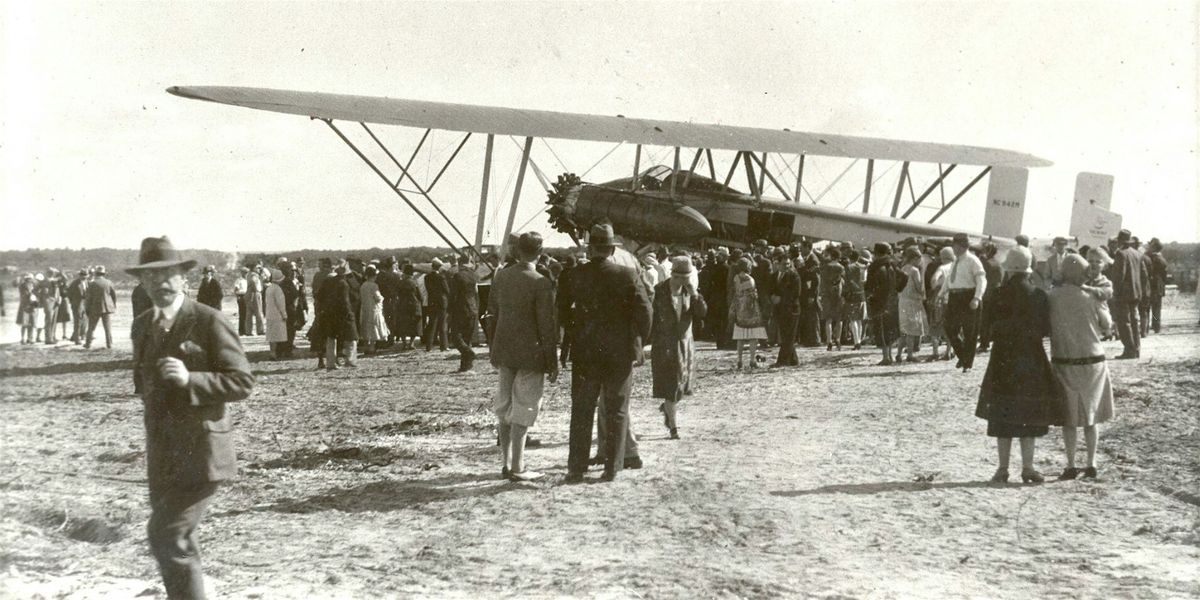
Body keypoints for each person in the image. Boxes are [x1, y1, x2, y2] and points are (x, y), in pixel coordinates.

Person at [127, 236, 254, 600]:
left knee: (167, 534)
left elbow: (242, 381)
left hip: (202, 453)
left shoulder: (208, 320)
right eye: (151, 277)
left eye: (168, 274)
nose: (160, 283)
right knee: (179, 542)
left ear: (183, 278)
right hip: (163, 455)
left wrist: (191, 379)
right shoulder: (142, 325)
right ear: (142, 281)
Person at [560, 223, 652, 483]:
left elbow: (563, 313)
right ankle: (612, 467)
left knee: (582, 409)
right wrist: (637, 341)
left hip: (585, 351)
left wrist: (577, 333)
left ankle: (576, 468)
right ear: (612, 249)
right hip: (619, 352)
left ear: (590, 249)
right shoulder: (628, 274)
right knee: (617, 409)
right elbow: (645, 313)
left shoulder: (573, 275)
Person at [975, 247, 1059, 484]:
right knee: (1029, 415)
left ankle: (1002, 468)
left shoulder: (997, 294)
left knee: (1003, 415)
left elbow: (987, 328)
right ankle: (1028, 468)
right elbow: (1045, 329)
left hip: (1003, 360)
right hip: (1032, 360)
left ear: (1008, 268)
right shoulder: (1039, 296)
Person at [487, 232, 558, 481]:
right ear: (539, 252)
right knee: (524, 408)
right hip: (531, 353)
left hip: (504, 350)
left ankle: (506, 463)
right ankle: (518, 466)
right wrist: (553, 360)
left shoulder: (501, 276)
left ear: (517, 251)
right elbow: (546, 325)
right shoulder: (541, 282)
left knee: (504, 407)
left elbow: (492, 314)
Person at [1049, 253, 1115, 480]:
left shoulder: (1052, 297)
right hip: (1093, 361)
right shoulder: (1092, 296)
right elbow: (1107, 325)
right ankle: (1092, 462)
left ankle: (1069, 464)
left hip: (1064, 361)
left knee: (1069, 417)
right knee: (1091, 416)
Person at [651, 256, 707, 439]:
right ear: (673, 275)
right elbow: (651, 318)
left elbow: (702, 313)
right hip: (665, 344)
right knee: (671, 385)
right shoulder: (659, 292)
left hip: (684, 342)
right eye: (680, 278)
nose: (684, 282)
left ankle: (668, 408)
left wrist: (695, 295)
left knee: (682, 385)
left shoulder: (690, 292)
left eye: (687, 278)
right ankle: (673, 427)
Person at [943, 233, 987, 372]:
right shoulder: (955, 261)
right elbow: (950, 279)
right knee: (949, 328)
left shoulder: (973, 260)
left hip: (968, 296)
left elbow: (981, 280)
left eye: (954, 245)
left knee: (970, 332)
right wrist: (941, 293)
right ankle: (963, 355)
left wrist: (977, 298)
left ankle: (967, 364)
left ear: (962, 246)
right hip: (954, 297)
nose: (953, 248)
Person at [1109, 229, 1147, 359]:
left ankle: (1129, 350)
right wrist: (1140, 290)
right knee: (1134, 320)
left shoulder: (1120, 254)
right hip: (1136, 293)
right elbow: (1144, 275)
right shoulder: (1137, 254)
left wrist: (1116, 292)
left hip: (1123, 294)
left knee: (1124, 321)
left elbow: (1119, 275)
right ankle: (1136, 349)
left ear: (1120, 241)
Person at [317, 261, 359, 370]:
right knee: (351, 336)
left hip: (329, 313)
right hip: (342, 313)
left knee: (331, 338)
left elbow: (319, 296)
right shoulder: (343, 283)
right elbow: (346, 301)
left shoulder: (328, 281)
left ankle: (330, 363)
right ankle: (350, 360)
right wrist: (349, 313)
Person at [865, 243, 901, 365]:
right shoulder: (893, 264)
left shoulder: (875, 267)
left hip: (879, 300)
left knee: (880, 328)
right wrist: (897, 290)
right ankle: (889, 355)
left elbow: (869, 285)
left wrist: (871, 294)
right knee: (890, 327)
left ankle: (886, 357)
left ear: (876, 253)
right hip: (892, 300)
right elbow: (904, 277)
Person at [730, 257, 767, 370]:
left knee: (740, 337)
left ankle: (739, 360)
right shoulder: (750, 279)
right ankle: (751, 360)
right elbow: (752, 294)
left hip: (739, 308)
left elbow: (737, 291)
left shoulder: (736, 278)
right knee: (753, 337)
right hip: (750, 310)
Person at [448, 255, 480, 371]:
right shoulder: (474, 275)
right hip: (472, 308)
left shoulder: (457, 276)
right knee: (467, 338)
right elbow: (476, 292)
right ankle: (465, 366)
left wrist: (449, 310)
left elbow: (453, 295)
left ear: (460, 263)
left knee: (455, 336)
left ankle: (468, 352)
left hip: (460, 309)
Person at [897, 246, 929, 362]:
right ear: (915, 258)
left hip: (903, 300)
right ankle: (910, 354)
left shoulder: (903, 268)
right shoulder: (915, 271)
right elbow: (919, 287)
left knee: (904, 330)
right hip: (913, 301)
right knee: (911, 330)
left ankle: (899, 354)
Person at [770, 248, 801, 367]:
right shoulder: (774, 276)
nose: (787, 266)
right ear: (777, 263)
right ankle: (793, 360)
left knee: (788, 336)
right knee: (785, 335)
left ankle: (782, 361)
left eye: (789, 263)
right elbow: (770, 289)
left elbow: (796, 293)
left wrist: (781, 299)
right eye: (784, 264)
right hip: (779, 310)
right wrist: (772, 297)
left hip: (792, 309)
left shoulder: (794, 275)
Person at [926, 247, 955, 362]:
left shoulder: (942, 268)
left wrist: (936, 286)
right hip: (953, 298)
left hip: (940, 298)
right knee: (950, 325)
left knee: (935, 324)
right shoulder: (956, 267)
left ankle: (935, 352)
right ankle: (948, 351)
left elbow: (934, 280)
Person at [84, 265, 118, 349]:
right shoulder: (109, 282)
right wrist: (113, 306)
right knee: (107, 327)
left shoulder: (92, 284)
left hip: (94, 308)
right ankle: (109, 344)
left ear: (96, 273)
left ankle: (88, 344)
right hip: (106, 308)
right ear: (104, 274)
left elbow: (88, 298)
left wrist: (87, 309)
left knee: (91, 327)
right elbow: (114, 296)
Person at [358, 265, 389, 356]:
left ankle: (366, 348)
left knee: (366, 327)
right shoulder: (374, 285)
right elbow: (378, 297)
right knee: (373, 327)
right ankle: (371, 348)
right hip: (373, 309)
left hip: (364, 308)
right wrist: (382, 298)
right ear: (373, 276)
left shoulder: (363, 285)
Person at [819, 248, 845, 351]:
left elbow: (823, 282)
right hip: (839, 294)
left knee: (828, 319)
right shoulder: (841, 267)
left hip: (827, 295)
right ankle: (838, 340)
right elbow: (844, 280)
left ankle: (829, 341)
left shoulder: (826, 267)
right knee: (839, 319)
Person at [394, 263, 423, 350]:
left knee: (402, 325)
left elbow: (397, 293)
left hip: (402, 305)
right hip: (414, 305)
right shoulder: (414, 283)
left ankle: (404, 343)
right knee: (414, 325)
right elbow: (420, 296)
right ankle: (411, 343)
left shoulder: (400, 283)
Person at [842, 249, 867, 351]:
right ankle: (859, 341)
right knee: (860, 320)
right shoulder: (863, 267)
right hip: (861, 294)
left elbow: (846, 282)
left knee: (853, 320)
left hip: (851, 295)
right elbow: (864, 280)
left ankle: (856, 342)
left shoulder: (848, 267)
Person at [423, 258, 449, 351]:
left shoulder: (427, 277)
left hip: (432, 301)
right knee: (442, 324)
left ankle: (429, 346)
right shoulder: (441, 277)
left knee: (432, 324)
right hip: (442, 302)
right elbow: (446, 290)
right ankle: (444, 345)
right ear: (439, 267)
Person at [264, 268, 289, 359]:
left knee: (271, 335)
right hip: (277, 314)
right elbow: (280, 304)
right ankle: (278, 353)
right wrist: (284, 314)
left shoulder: (269, 288)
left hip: (270, 313)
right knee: (278, 335)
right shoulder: (278, 289)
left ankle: (272, 352)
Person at [1145, 238, 1168, 334]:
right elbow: (1164, 274)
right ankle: (1156, 326)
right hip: (1158, 286)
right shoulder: (1162, 259)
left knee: (1147, 307)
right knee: (1156, 307)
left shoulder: (1151, 258)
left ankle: (1146, 326)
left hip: (1151, 285)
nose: (1148, 246)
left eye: (1150, 245)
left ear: (1154, 247)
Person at [67, 269, 89, 344]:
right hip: (77, 304)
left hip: (84, 304)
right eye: (83, 275)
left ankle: (78, 335)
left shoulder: (86, 282)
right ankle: (77, 339)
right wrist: (73, 302)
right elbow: (69, 293)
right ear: (80, 275)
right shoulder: (75, 283)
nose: (84, 277)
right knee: (78, 322)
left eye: (86, 275)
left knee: (84, 320)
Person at [244, 265, 265, 336]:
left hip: (249, 293)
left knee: (249, 313)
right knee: (258, 312)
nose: (259, 269)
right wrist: (256, 289)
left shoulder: (248, 274)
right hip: (255, 293)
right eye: (257, 268)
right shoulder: (254, 275)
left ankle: (248, 331)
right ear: (253, 268)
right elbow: (253, 281)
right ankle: (260, 330)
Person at [232, 267, 249, 335]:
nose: (246, 274)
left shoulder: (248, 280)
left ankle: (247, 330)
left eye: (246, 273)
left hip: (248, 297)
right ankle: (242, 331)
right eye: (244, 272)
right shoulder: (239, 280)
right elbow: (236, 290)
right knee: (242, 314)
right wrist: (238, 296)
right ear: (242, 273)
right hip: (242, 296)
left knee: (248, 314)